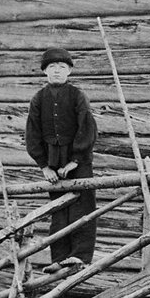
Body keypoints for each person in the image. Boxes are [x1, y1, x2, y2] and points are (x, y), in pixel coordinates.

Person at [25, 47, 98, 271]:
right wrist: (45, 166)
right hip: (53, 163)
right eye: (52, 68)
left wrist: (75, 160)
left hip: (78, 160)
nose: (57, 71)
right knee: (58, 211)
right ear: (45, 71)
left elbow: (87, 127)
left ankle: (79, 256)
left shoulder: (77, 95)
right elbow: (32, 133)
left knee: (82, 207)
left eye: (62, 68)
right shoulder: (39, 98)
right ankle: (58, 259)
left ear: (69, 72)